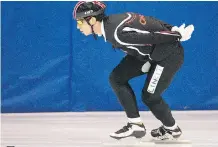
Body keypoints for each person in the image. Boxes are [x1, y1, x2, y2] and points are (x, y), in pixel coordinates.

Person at [73, 1, 194, 140]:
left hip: (168, 55)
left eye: (80, 22)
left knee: (150, 96)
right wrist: (171, 28)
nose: (78, 26)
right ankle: (135, 124)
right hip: (149, 54)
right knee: (117, 78)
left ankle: (172, 129)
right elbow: (149, 21)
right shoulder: (112, 22)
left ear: (92, 19)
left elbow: (151, 37)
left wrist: (175, 35)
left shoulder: (117, 33)